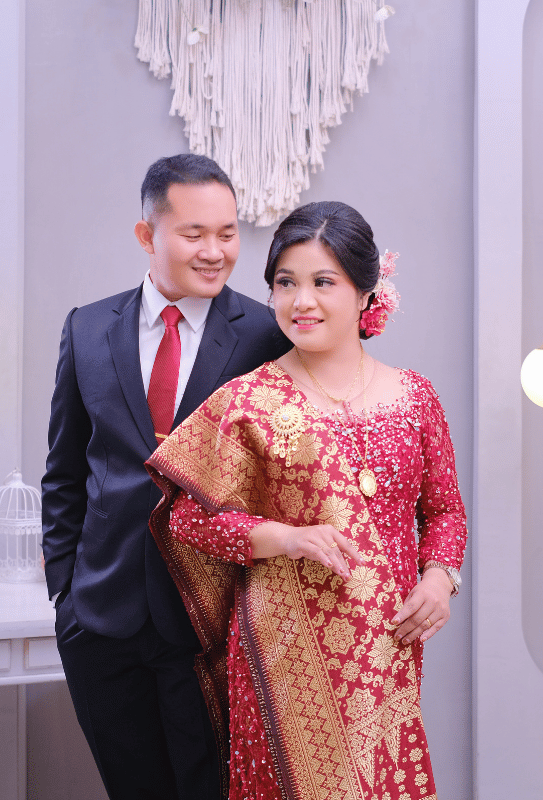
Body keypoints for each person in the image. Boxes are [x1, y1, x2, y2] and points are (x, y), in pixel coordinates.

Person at [147, 201, 467, 800]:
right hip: (282, 660)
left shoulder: (415, 397)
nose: (301, 302)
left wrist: (439, 579)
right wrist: (285, 538)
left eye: (323, 282)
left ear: (366, 292)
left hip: (387, 653)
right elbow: (188, 520)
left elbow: (445, 510)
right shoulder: (249, 400)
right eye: (285, 283)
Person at [41, 154, 291, 800]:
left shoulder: (266, 337)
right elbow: (64, 472)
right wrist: (65, 593)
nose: (216, 251)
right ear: (147, 235)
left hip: (213, 624)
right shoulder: (87, 328)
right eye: (194, 233)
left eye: (228, 233)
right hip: (100, 620)